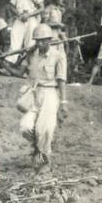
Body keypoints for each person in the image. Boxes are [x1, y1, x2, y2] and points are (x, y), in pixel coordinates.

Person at [19, 24, 68, 173]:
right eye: (37, 41)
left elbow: (61, 79)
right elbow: (23, 72)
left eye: (43, 41)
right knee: (25, 126)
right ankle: (37, 148)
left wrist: (64, 102)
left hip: (50, 94)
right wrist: (26, 54)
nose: (40, 44)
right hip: (35, 93)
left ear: (49, 40)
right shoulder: (33, 55)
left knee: (44, 129)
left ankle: (44, 160)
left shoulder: (58, 55)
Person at [6, 0, 44, 64]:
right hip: (20, 17)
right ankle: (11, 62)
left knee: (30, 42)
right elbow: (11, 6)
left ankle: (27, 65)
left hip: (31, 19)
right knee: (15, 38)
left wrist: (29, 14)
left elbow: (41, 8)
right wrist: (18, 14)